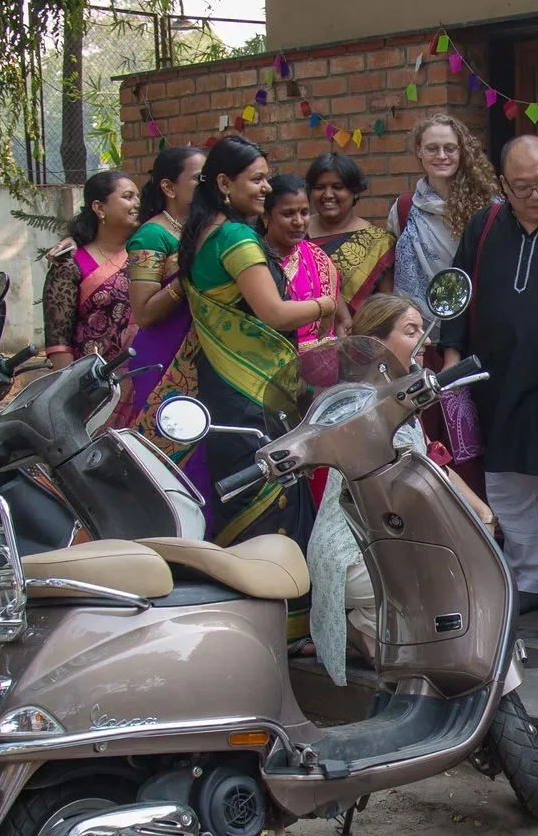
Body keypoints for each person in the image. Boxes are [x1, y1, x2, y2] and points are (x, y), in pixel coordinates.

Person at [439, 134, 538, 613]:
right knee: (508, 485)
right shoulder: (484, 226)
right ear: (503, 184)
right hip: (495, 383)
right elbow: (456, 293)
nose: (535, 196)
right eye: (522, 187)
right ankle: (529, 580)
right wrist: (451, 354)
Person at [305, 294, 495, 684]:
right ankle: (364, 628)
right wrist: (480, 514)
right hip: (352, 554)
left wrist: (483, 512)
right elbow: (420, 472)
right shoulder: (361, 401)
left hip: (384, 539)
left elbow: (427, 463)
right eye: (412, 331)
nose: (426, 340)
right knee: (442, 576)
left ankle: (363, 626)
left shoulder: (394, 392)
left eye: (424, 331)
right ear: (375, 342)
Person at [162, 136, 341, 544]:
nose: (265, 187)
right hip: (255, 395)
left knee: (240, 492)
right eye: (257, 179)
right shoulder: (236, 239)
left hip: (221, 390)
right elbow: (273, 312)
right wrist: (325, 305)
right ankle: (285, 600)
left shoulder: (201, 235)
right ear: (225, 184)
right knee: (273, 500)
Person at [120, 144, 203, 429]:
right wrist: (187, 276)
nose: (207, 186)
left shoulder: (206, 229)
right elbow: (143, 314)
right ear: (169, 187)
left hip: (206, 357)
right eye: (198, 179)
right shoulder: (151, 236)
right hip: (164, 358)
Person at [388, 112, 498, 303]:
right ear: (419, 150)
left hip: (477, 317)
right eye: (432, 148)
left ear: (461, 151)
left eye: (450, 148)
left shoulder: (489, 206)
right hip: (418, 324)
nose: (441, 156)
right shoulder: (404, 208)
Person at [40, 169, 139, 370]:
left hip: (147, 376)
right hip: (95, 384)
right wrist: (71, 390)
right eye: (128, 197)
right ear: (99, 208)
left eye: (138, 197)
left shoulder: (147, 254)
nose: (137, 203)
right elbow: (59, 341)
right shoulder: (71, 264)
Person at [307, 150, 398, 311]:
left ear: (355, 192)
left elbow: (385, 309)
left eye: (337, 187)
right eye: (319, 187)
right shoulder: (295, 232)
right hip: (291, 332)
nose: (328, 195)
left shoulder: (379, 243)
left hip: (353, 334)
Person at [264, 172, 341, 349]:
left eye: (304, 212)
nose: (299, 222)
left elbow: (333, 325)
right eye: (288, 214)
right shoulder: (254, 260)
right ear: (266, 216)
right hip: (272, 365)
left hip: (322, 366)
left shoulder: (318, 257)